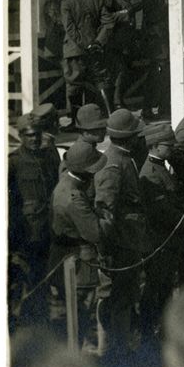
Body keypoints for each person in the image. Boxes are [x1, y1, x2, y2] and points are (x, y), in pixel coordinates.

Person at [94, 108, 148, 366]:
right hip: (120, 245)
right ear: (130, 137)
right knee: (117, 298)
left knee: (126, 296)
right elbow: (105, 211)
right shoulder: (113, 164)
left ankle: (120, 347)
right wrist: (106, 250)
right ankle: (114, 352)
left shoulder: (123, 158)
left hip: (129, 241)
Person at [50, 140, 108, 354]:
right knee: (79, 314)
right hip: (80, 265)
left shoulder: (66, 182)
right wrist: (106, 217)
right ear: (85, 171)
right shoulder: (74, 197)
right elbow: (94, 232)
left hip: (66, 259)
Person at [137, 121, 184, 343]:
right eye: (168, 145)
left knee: (165, 284)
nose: (172, 148)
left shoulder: (160, 167)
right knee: (156, 285)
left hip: (168, 237)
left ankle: (162, 326)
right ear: (155, 146)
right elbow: (161, 211)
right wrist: (183, 218)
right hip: (160, 239)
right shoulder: (150, 173)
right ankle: (148, 329)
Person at [8, 113, 55, 330]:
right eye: (29, 135)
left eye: (37, 135)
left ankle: (41, 322)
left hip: (47, 230)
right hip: (28, 235)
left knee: (44, 280)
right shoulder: (14, 163)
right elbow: (10, 204)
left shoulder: (46, 158)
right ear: (21, 136)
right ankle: (25, 325)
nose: (34, 139)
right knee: (26, 281)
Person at [62, 0, 114, 114]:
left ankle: (76, 120)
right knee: (100, 81)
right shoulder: (96, 0)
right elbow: (109, 24)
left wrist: (85, 45)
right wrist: (96, 42)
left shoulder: (67, 3)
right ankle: (107, 115)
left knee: (74, 84)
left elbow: (70, 29)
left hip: (75, 51)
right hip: (96, 50)